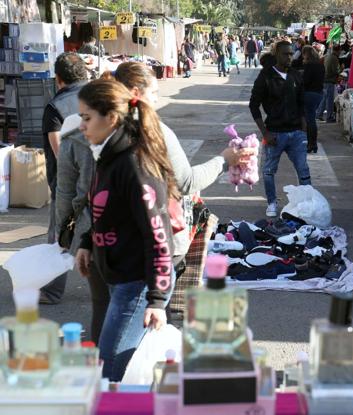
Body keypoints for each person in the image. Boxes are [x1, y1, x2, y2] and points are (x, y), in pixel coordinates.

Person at [57, 62, 253, 342]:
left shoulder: (94, 143)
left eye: (86, 117)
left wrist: (69, 240)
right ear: (135, 93)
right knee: (138, 330)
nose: (84, 126)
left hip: (109, 245)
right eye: (155, 92)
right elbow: (183, 187)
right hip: (129, 250)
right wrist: (223, 160)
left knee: (114, 319)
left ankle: (124, 372)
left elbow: (65, 193)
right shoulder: (141, 139)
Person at [74, 79, 176, 381]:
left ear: (112, 118)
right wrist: (87, 242)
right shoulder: (106, 155)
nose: (81, 126)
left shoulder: (134, 164)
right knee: (115, 372)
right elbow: (107, 212)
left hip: (139, 284)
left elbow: (158, 235)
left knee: (108, 373)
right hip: (120, 279)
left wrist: (157, 299)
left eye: (86, 117)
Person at [40, 53, 89, 305]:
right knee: (100, 231)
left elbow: (59, 152)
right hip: (100, 178)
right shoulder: (97, 97)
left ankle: (51, 291)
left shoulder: (55, 107)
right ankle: (115, 286)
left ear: (58, 79)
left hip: (67, 183)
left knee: (60, 235)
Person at [249, 40, 311, 218]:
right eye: (286, 54)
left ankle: (306, 203)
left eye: (291, 53)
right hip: (274, 133)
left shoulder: (296, 75)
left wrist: (304, 123)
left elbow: (301, 102)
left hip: (296, 133)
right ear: (277, 55)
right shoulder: (266, 76)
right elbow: (254, 105)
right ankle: (272, 202)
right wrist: (265, 133)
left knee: (303, 170)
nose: (290, 57)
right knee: (269, 171)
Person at [302, 45, 325, 153]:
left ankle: (311, 144)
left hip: (309, 93)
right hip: (318, 94)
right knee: (311, 119)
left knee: (310, 120)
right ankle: (313, 143)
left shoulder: (309, 65)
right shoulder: (320, 65)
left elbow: (305, 81)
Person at [316, 44, 341, 123]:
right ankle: (329, 117)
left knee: (324, 99)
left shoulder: (328, 56)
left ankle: (319, 114)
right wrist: (341, 71)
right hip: (329, 80)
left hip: (324, 79)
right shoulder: (334, 58)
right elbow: (335, 71)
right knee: (329, 100)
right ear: (338, 50)